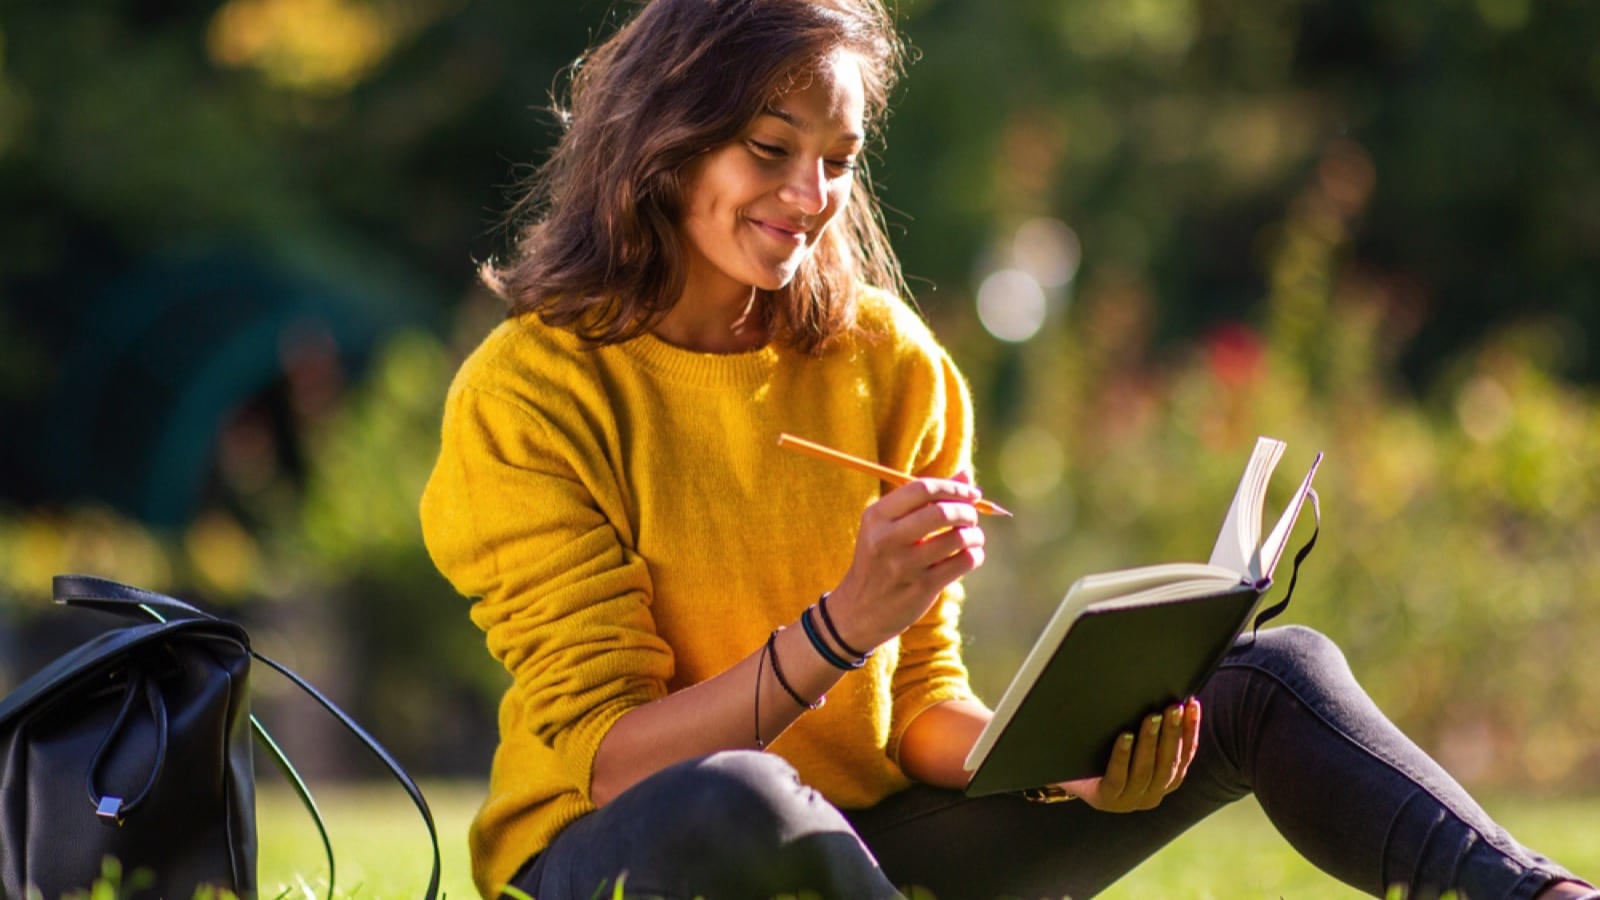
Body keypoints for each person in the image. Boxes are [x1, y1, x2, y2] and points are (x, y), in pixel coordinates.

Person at [419, 1, 1596, 897]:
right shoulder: (534, 391)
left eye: (837, 155)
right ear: (665, 142)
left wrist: (1060, 766)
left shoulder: (888, 361)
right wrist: (841, 628)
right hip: (625, 850)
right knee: (744, 797)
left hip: (867, 841)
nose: (810, 191)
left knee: (1269, 675)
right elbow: (614, 763)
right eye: (770, 148)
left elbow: (921, 704)